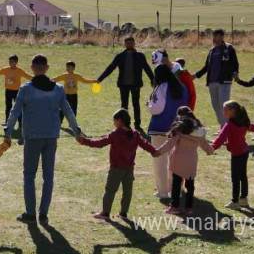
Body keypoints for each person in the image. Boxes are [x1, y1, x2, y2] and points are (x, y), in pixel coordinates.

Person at [5, 54, 81, 224]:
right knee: (48, 176)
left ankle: (31, 213)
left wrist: (8, 132)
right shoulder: (59, 89)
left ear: (32, 68)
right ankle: (44, 213)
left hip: (32, 137)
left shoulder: (25, 89)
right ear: (47, 68)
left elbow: (14, 112)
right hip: (51, 136)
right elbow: (68, 111)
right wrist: (76, 130)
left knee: (29, 176)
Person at [76, 109, 159, 220]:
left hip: (116, 168)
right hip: (129, 168)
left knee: (110, 190)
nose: (113, 123)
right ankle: (123, 213)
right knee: (127, 191)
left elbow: (100, 143)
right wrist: (154, 151)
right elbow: (145, 144)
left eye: (114, 120)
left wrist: (84, 141)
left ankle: (105, 213)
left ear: (120, 121)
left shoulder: (116, 134)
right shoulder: (134, 134)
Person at [155, 107, 215, 215]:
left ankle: (174, 206)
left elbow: (170, 143)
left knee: (176, 184)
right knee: (190, 184)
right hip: (192, 159)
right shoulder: (199, 130)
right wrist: (211, 151)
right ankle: (189, 207)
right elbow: (205, 145)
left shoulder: (179, 129)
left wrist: (158, 151)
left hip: (178, 159)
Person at [210, 101, 254, 209]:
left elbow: (220, 138)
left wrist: (211, 148)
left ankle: (235, 202)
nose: (223, 112)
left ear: (232, 111)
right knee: (242, 176)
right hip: (244, 152)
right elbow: (253, 127)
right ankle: (243, 199)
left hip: (237, 155)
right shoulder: (242, 121)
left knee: (235, 178)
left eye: (225, 110)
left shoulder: (229, 125)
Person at [147, 64, 189, 199]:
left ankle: (163, 191)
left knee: (160, 159)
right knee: (175, 159)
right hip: (178, 127)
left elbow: (157, 108)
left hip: (160, 126)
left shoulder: (161, 87)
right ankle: (176, 187)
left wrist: (149, 106)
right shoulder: (182, 87)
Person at [97, 37, 155, 129]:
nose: (129, 44)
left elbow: (147, 68)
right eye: (128, 43)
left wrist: (153, 79)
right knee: (124, 105)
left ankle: (137, 125)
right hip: (123, 84)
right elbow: (110, 68)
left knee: (136, 104)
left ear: (134, 43)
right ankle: (125, 124)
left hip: (135, 84)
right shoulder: (120, 56)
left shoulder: (140, 56)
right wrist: (100, 79)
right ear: (125, 44)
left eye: (131, 43)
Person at [194, 29, 239, 127]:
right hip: (212, 81)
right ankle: (223, 127)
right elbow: (206, 66)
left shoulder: (229, 48)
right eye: (213, 36)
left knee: (224, 106)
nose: (213, 38)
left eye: (215, 36)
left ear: (221, 37)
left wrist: (235, 73)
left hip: (224, 81)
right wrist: (196, 75)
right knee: (216, 106)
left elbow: (234, 63)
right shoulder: (212, 50)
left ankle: (227, 129)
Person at [0, 54, 32, 127]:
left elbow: (28, 76)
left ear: (16, 62)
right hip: (8, 91)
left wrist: (39, 79)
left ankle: (21, 123)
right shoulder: (6, 69)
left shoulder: (20, 71)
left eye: (12, 62)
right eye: (9, 62)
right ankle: (7, 122)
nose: (10, 63)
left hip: (17, 92)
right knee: (8, 107)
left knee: (18, 107)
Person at [52, 61, 97, 125]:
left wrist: (94, 81)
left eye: (69, 67)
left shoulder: (77, 76)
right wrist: (46, 80)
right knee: (62, 109)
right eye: (66, 67)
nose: (67, 68)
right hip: (66, 95)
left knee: (73, 110)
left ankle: (72, 124)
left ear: (73, 68)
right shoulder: (64, 75)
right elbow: (55, 79)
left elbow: (85, 81)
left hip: (74, 95)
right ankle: (59, 122)